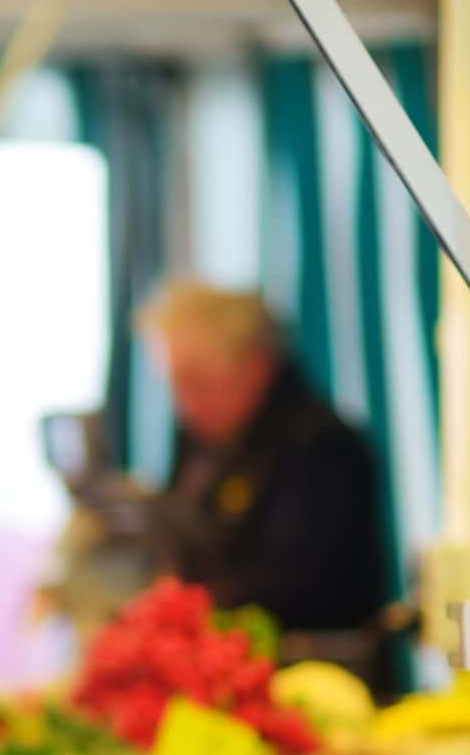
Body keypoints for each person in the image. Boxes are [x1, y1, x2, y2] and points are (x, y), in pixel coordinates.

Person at [138, 282, 395, 689]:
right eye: (175, 385)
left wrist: (191, 610)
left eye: (197, 383)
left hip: (310, 684)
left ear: (255, 365)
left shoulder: (322, 448)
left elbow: (300, 587)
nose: (184, 404)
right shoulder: (201, 443)